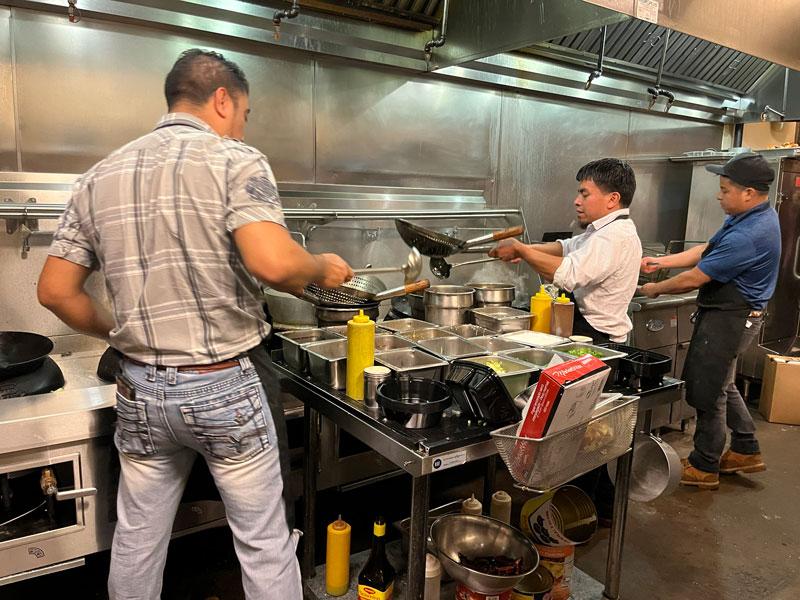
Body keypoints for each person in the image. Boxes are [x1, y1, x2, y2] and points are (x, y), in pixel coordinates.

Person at [37, 49, 353, 599]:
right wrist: (321, 266)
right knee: (262, 543)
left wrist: (121, 330)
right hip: (224, 384)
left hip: (139, 388)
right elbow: (273, 264)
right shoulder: (236, 160)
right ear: (223, 98)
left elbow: (55, 292)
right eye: (244, 113)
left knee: (137, 539)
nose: (241, 126)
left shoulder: (98, 176)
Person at [639, 152, 780, 490]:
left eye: (725, 189)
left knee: (708, 392)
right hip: (735, 315)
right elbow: (708, 248)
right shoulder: (751, 217)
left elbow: (695, 278)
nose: (719, 195)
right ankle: (746, 448)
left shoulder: (749, 234)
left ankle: (704, 465)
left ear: (748, 192)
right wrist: (661, 262)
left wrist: (654, 289)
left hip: (730, 319)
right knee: (724, 384)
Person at [490, 157, 642, 343]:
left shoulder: (614, 235)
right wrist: (523, 249)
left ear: (612, 199)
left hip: (598, 340)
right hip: (585, 333)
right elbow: (565, 247)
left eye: (585, 195)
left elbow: (568, 273)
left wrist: (521, 250)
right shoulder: (603, 230)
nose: (576, 201)